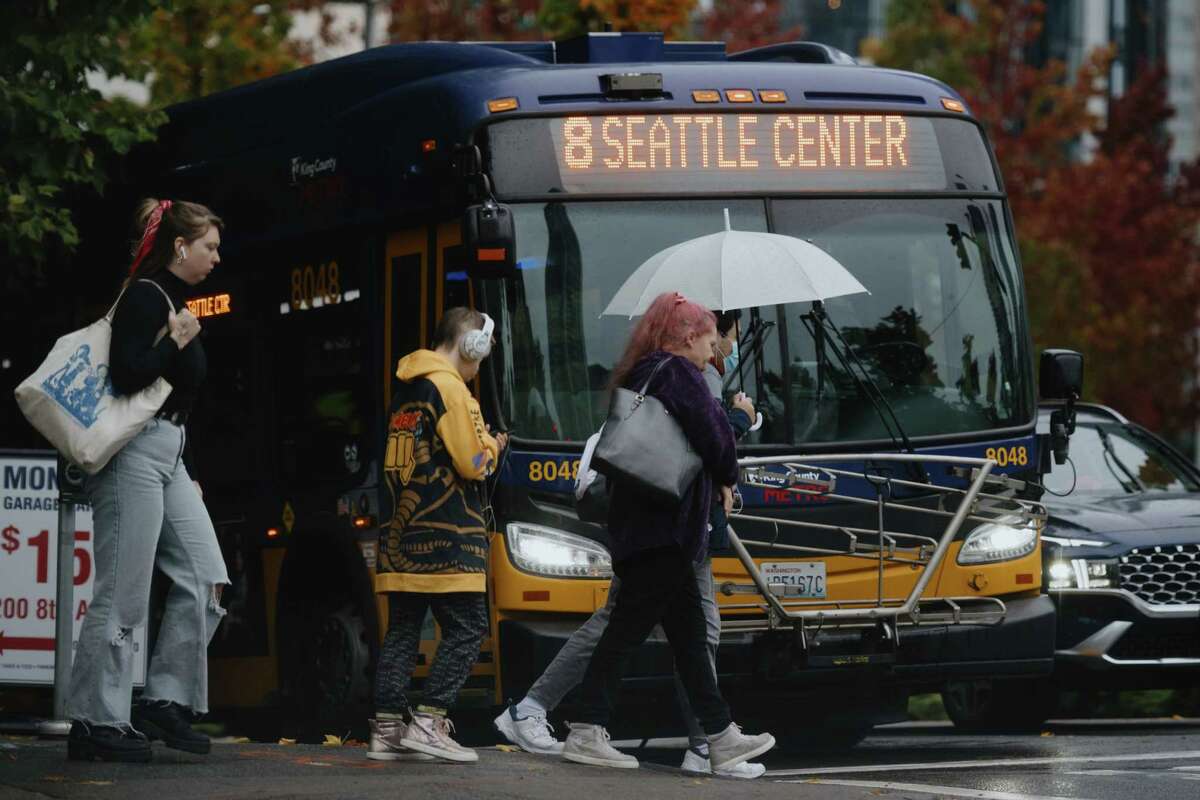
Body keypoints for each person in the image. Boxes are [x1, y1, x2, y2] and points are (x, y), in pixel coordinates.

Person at [494, 307, 762, 778]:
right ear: (686, 337)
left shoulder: (650, 371)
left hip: (656, 529)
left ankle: (718, 737)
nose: (714, 347)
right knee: (625, 632)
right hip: (663, 529)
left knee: (689, 638)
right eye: (707, 338)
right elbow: (714, 438)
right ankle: (586, 728)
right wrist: (736, 429)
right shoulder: (677, 372)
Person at [67, 199, 229, 762]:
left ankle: (164, 699)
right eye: (209, 245)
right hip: (134, 453)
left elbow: (178, 395)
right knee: (122, 589)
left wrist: (186, 467)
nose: (216, 256)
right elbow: (130, 372)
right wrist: (176, 340)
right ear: (180, 246)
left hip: (170, 452)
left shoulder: (174, 301)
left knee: (206, 576)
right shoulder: (143, 296)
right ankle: (94, 721)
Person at [368, 307, 508, 763]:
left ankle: (387, 729)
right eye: (481, 355)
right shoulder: (451, 388)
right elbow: (473, 463)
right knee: (469, 628)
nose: (479, 366)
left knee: (404, 628)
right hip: (448, 536)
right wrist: (493, 444)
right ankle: (430, 721)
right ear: (472, 345)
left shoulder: (407, 387)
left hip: (400, 536)